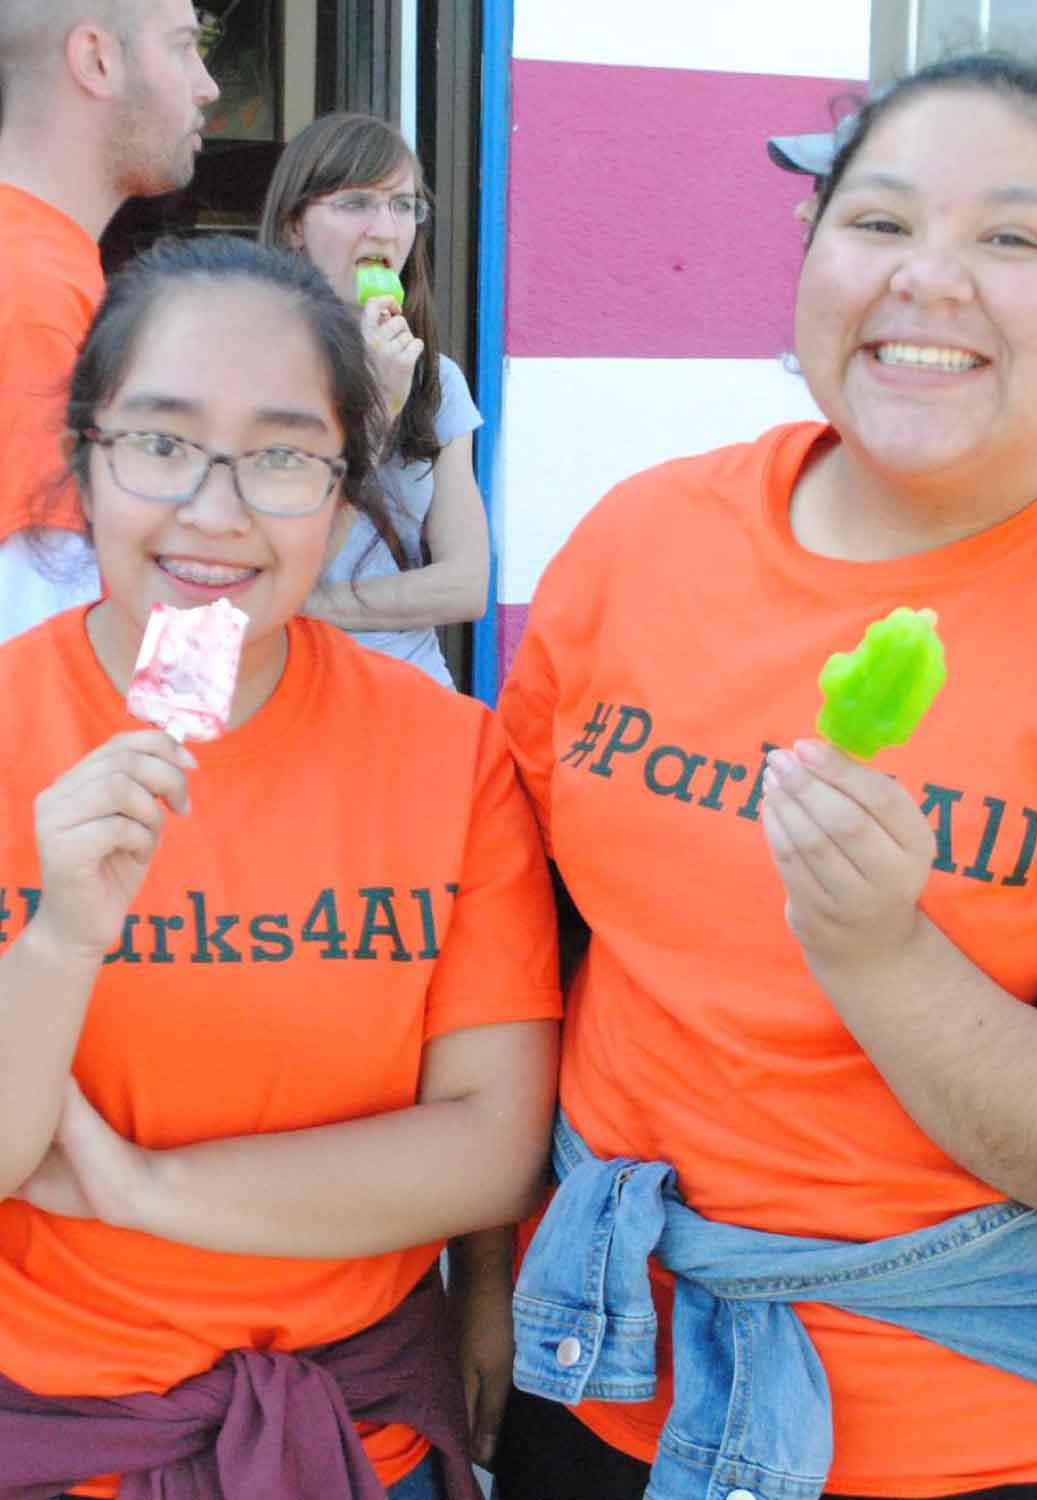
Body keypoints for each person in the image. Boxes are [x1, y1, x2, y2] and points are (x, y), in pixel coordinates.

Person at [492, 54, 1037, 1500]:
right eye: (876, 223)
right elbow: (523, 955)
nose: (929, 279)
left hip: (984, 1439)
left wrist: (877, 952)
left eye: (1013, 237)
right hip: (601, 1380)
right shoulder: (641, 541)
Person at [0, 235, 560, 1498]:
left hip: (360, 1441)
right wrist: (58, 939)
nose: (215, 510)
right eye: (158, 441)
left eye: (283, 455)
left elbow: (491, 1148)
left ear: (347, 488)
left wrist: (139, 1186)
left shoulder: (450, 756)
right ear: (85, 460)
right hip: (49, 1435)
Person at [0, 0, 220, 644]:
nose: (208, 85)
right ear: (96, 59)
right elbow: (36, 635)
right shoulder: (33, 294)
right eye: (183, 47)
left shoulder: (41, 268)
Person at [259, 112, 489, 690]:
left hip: (409, 691)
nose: (385, 231)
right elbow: (276, 554)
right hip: (285, 688)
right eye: (356, 203)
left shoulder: (437, 381)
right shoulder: (243, 371)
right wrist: (377, 404)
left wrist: (307, 605)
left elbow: (466, 584)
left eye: (404, 205)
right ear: (293, 225)